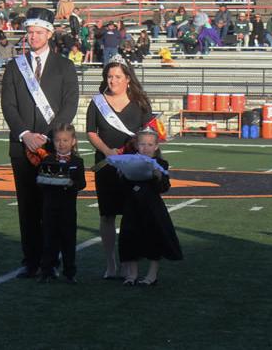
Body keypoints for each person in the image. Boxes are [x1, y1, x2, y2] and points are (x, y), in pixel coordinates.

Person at [1, 7, 79, 279]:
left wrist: (47, 136)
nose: (32, 37)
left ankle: (52, 261)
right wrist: (25, 134)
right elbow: (8, 105)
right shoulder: (15, 66)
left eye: (37, 32)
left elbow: (70, 105)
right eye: (29, 32)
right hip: (22, 148)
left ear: (49, 33)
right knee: (28, 207)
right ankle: (31, 261)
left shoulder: (65, 66)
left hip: (55, 147)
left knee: (53, 208)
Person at [86, 55, 152, 279]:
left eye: (117, 76)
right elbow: (91, 132)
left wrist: (143, 145)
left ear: (128, 79)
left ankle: (128, 261)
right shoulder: (97, 102)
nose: (112, 81)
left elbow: (150, 131)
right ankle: (110, 262)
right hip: (106, 165)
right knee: (107, 215)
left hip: (134, 165)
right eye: (109, 76)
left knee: (131, 214)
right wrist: (107, 151)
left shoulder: (141, 102)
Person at [110, 128, 182, 286]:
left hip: (152, 207)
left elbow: (163, 188)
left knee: (154, 239)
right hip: (132, 206)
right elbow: (121, 188)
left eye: (150, 144)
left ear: (156, 146)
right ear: (136, 145)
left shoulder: (161, 163)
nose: (146, 147)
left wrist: (158, 177)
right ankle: (132, 275)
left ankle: (152, 275)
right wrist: (121, 175)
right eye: (142, 144)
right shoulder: (128, 160)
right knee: (129, 238)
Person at [36, 123, 86, 283]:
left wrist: (72, 183)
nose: (61, 143)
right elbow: (40, 181)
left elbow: (82, 183)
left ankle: (70, 272)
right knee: (49, 239)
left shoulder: (77, 161)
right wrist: (46, 180)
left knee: (68, 240)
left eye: (65, 140)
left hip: (68, 208)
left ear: (73, 141)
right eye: (58, 140)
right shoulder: (47, 159)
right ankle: (46, 271)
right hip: (50, 206)